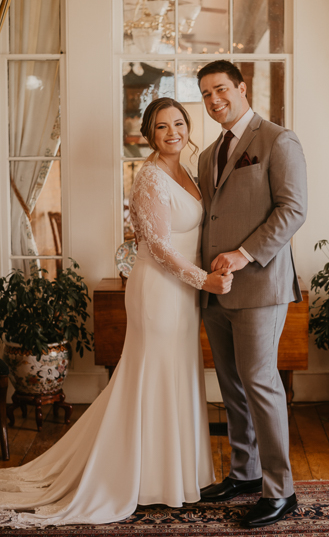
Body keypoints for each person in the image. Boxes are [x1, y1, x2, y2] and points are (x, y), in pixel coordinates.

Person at [0, 98, 233, 526]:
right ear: (149, 134)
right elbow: (160, 248)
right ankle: (145, 479)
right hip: (160, 290)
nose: (172, 132)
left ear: (188, 126)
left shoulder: (190, 172)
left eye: (179, 123)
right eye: (161, 127)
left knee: (177, 374)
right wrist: (206, 280)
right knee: (152, 376)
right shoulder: (148, 178)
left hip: (184, 293)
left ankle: (179, 476)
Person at [194, 61, 307, 528]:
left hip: (261, 284)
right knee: (232, 386)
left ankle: (281, 490)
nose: (214, 99)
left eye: (220, 89)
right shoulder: (206, 156)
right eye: (205, 93)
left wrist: (243, 254)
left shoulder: (278, 139)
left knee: (261, 383)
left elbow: (294, 209)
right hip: (215, 289)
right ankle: (245, 472)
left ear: (242, 88)